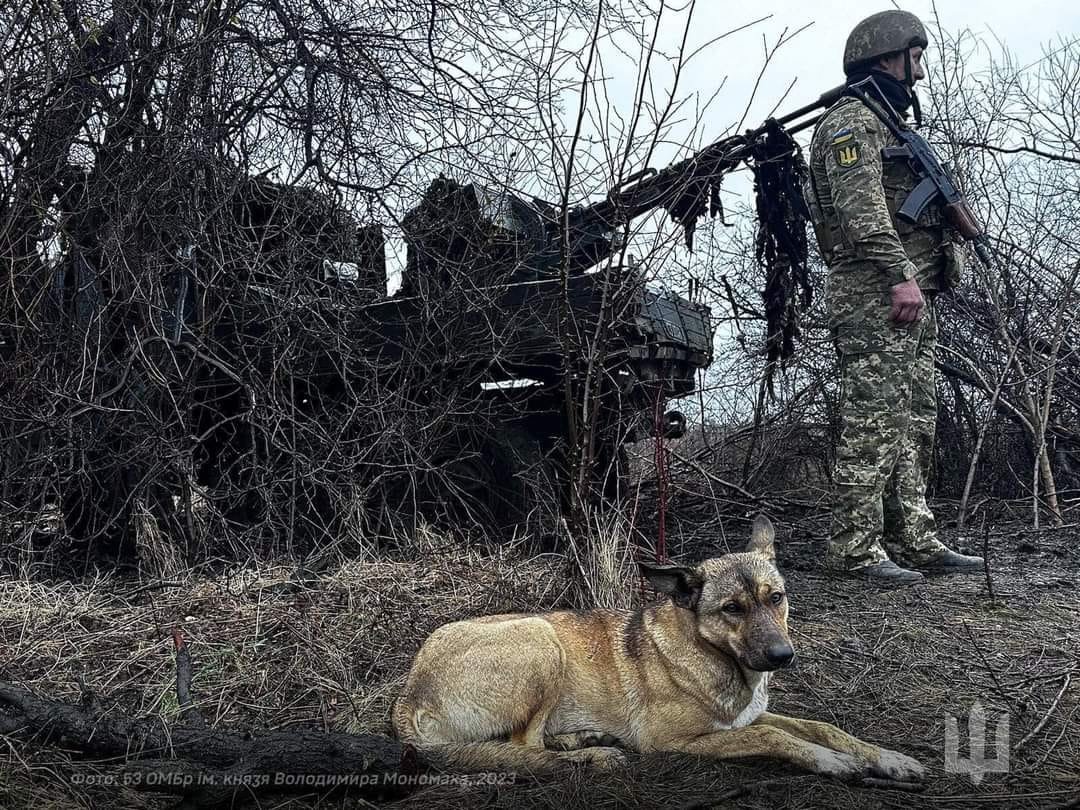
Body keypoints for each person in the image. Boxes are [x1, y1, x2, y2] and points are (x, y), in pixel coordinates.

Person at [805, 10, 984, 584]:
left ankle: (913, 538)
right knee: (873, 422)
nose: (922, 70)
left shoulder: (890, 122)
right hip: (876, 293)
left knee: (915, 422)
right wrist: (899, 274)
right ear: (888, 56)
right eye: (916, 56)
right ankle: (853, 549)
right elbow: (862, 214)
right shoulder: (852, 123)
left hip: (911, 294)